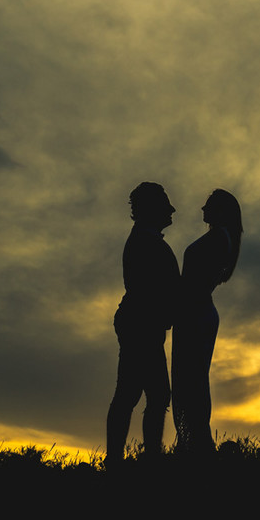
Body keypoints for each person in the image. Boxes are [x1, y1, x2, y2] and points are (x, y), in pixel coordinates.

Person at [106, 182, 180, 468]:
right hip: (141, 325)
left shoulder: (147, 241)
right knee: (143, 394)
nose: (171, 209)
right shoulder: (145, 243)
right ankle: (138, 461)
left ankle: (133, 460)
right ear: (151, 209)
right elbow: (153, 290)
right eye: (165, 204)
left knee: (143, 394)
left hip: (143, 324)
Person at [171, 188, 242, 454]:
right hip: (194, 313)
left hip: (196, 314)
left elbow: (196, 283)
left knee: (191, 380)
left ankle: (197, 443)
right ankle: (192, 441)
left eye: (208, 205)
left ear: (221, 210)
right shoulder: (218, 237)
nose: (202, 209)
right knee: (190, 379)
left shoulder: (217, 239)